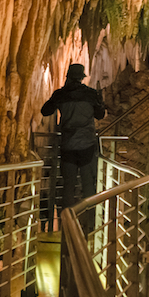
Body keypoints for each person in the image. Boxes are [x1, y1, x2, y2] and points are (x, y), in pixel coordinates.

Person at [41, 63, 106, 227]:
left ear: (68, 77)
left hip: (68, 145)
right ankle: (90, 222)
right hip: (87, 145)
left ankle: (67, 224)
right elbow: (100, 114)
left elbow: (45, 110)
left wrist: (58, 100)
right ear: (81, 78)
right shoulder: (90, 94)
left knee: (68, 186)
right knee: (88, 184)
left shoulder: (61, 95)